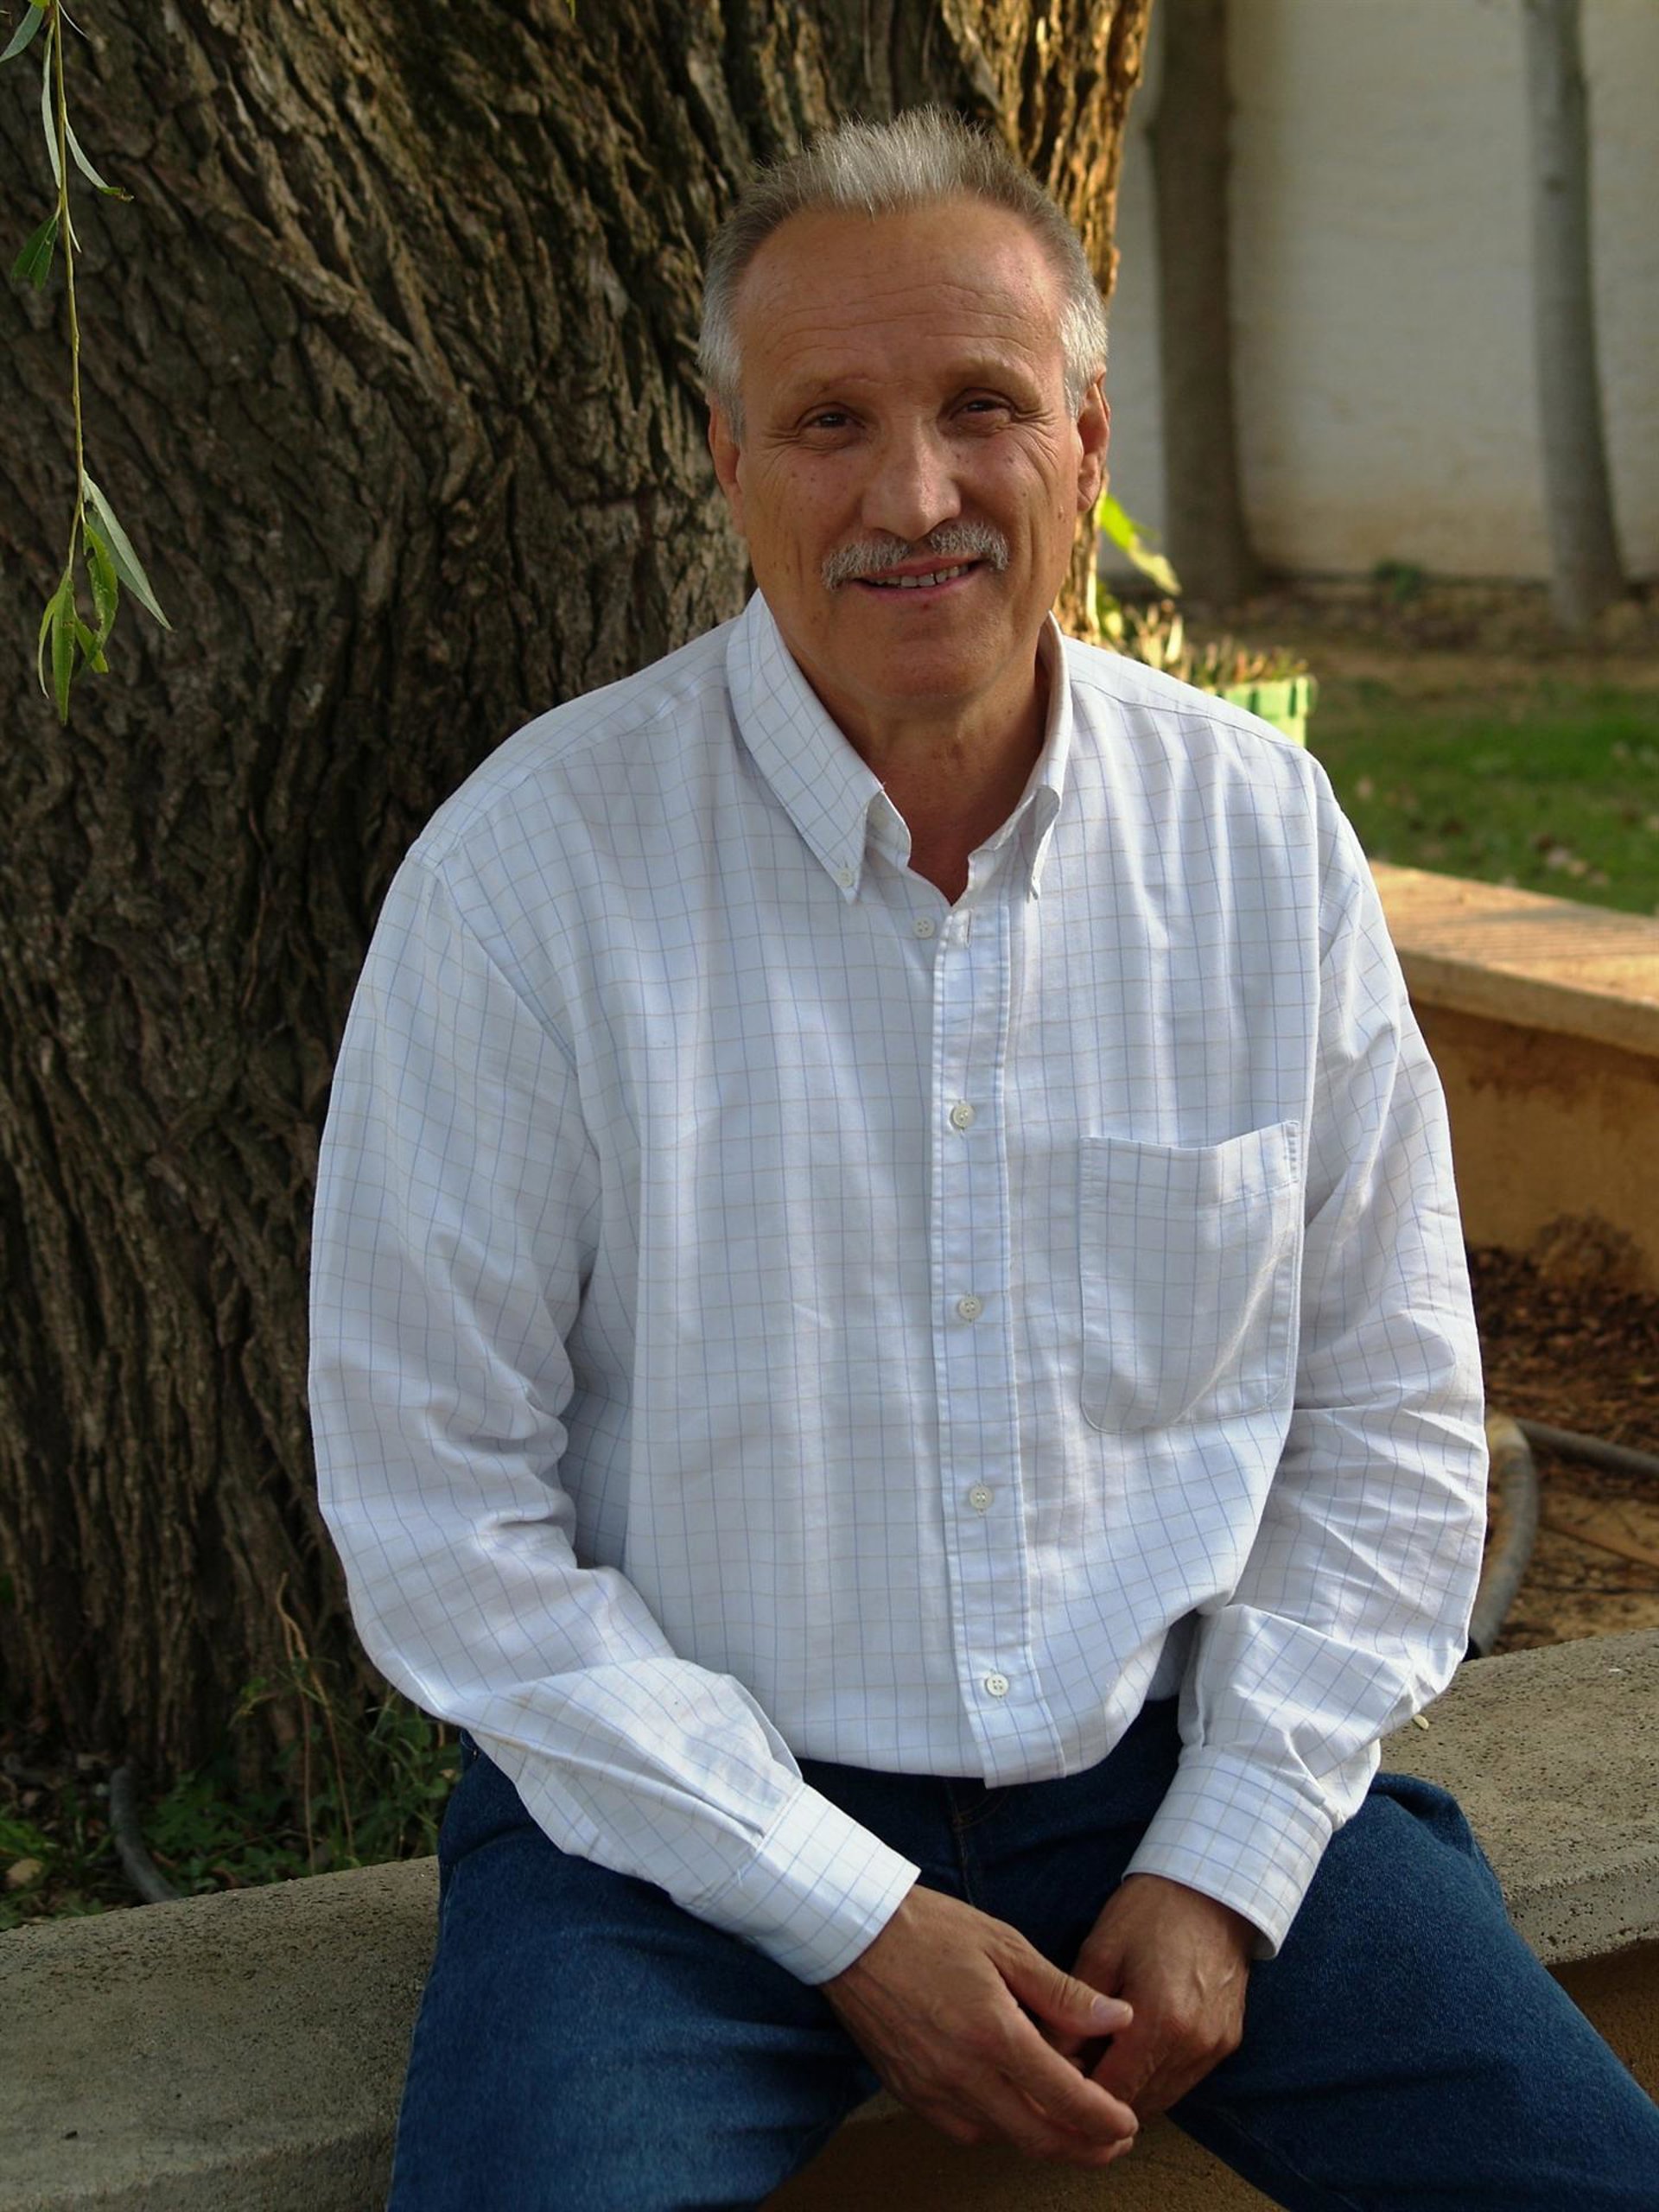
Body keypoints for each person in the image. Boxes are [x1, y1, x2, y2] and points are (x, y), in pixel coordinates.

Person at [308, 109, 1659, 2212]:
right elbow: (438, 1517)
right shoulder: (524, 884)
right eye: (830, 420)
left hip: (1176, 1771)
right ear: (727, 456)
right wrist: (842, 1906)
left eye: (982, 407)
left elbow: (1390, 1420)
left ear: (1088, 441)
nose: (914, 492)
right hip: (672, 1837)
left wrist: (1226, 1853)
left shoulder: (1258, 842)